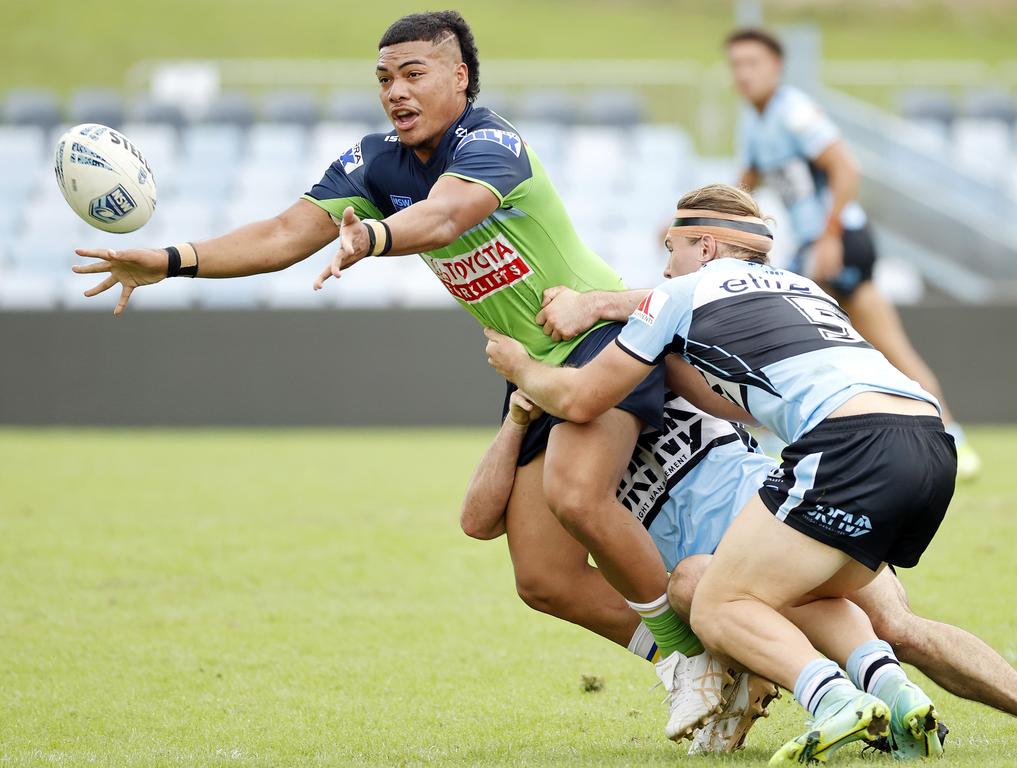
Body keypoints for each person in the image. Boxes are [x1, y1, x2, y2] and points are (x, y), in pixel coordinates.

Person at [70, 11, 702, 688]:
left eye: (412, 73)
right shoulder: (374, 163)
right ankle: (681, 662)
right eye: (383, 78)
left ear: (460, 78)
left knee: (577, 495)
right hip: (531, 371)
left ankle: (701, 661)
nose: (394, 91)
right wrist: (169, 261)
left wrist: (371, 239)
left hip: (602, 339)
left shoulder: (493, 142)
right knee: (543, 580)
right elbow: (284, 234)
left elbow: (445, 216)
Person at [485, 183, 957, 763]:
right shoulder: (789, 287)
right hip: (915, 445)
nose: (665, 265)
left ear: (704, 246)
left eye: (671, 247)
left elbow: (585, 396)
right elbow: (721, 395)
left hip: (830, 462)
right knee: (821, 603)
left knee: (708, 600)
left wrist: (522, 366)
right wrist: (603, 309)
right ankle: (898, 694)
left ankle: (826, 697)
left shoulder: (680, 299)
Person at [465, 389, 1017, 755]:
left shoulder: (635, 353)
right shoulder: (545, 415)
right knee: (877, 627)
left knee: (892, 626)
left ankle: (801, 685)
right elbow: (480, 520)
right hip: (748, 548)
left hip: (769, 515)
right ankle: (878, 694)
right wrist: (517, 417)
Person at [725, 27, 981, 479]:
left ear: (776, 68)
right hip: (818, 246)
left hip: (840, 241)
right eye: (736, 65)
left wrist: (829, 236)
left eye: (753, 63)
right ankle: (949, 434)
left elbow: (846, 167)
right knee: (880, 344)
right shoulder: (755, 122)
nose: (743, 74)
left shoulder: (794, 110)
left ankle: (772, 436)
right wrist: (699, 219)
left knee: (779, 330)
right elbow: (743, 186)